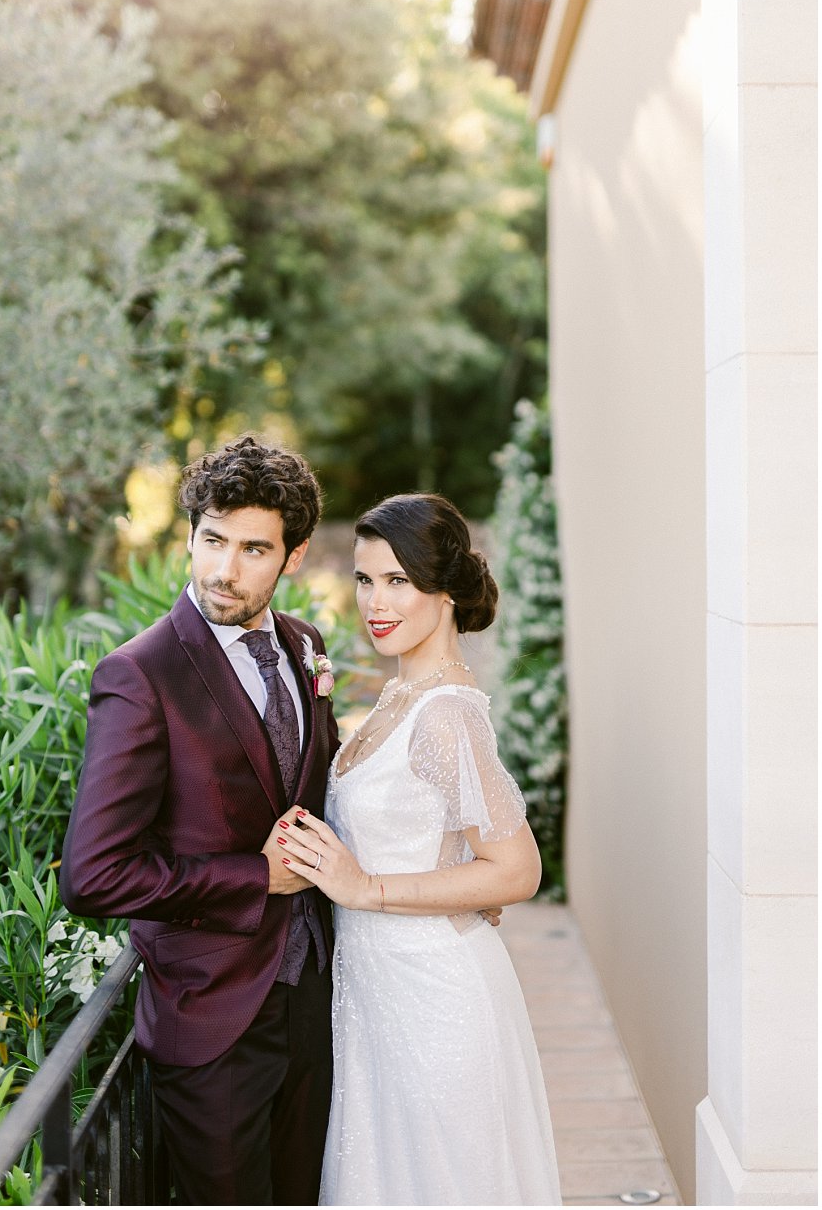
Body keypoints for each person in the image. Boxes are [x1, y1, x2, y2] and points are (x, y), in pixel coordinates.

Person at [59, 435, 340, 1206]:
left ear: (294, 555)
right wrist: (258, 876)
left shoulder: (304, 646)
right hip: (213, 1023)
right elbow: (93, 875)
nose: (224, 569)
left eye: (254, 549)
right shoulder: (138, 675)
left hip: (314, 998)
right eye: (212, 540)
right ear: (189, 534)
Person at [279, 492, 562, 1206]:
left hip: (435, 999)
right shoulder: (398, 696)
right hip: (378, 998)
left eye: (398, 581)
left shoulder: (445, 717)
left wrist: (367, 887)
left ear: (443, 589)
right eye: (366, 579)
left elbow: (518, 869)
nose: (376, 601)